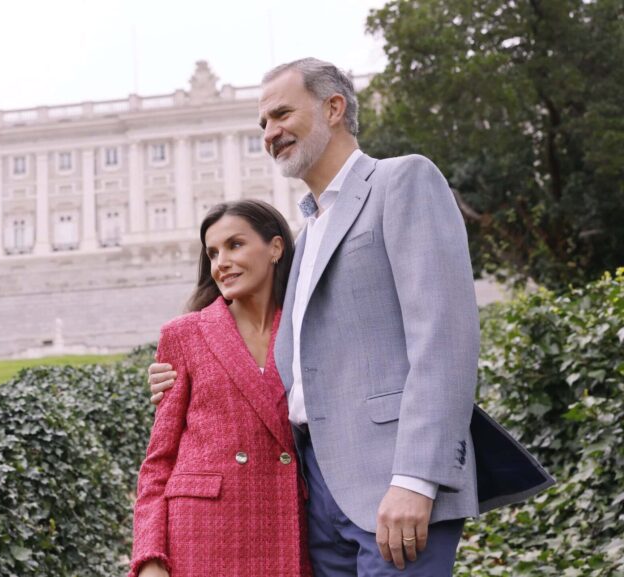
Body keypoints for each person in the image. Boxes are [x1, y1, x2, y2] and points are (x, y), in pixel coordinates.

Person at [147, 58, 553, 576]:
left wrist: (415, 478)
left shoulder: (402, 181)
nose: (270, 133)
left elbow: (444, 341)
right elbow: (295, 352)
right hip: (316, 494)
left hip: (392, 481)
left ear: (334, 107)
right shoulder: (307, 230)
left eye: (281, 115)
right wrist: (179, 374)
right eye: (263, 124)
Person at [130, 199, 312, 577]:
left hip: (291, 521)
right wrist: (149, 558)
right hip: (200, 534)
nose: (221, 263)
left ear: (276, 248)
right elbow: (158, 461)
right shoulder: (183, 335)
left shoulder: (308, 328)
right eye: (212, 253)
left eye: (235, 245)